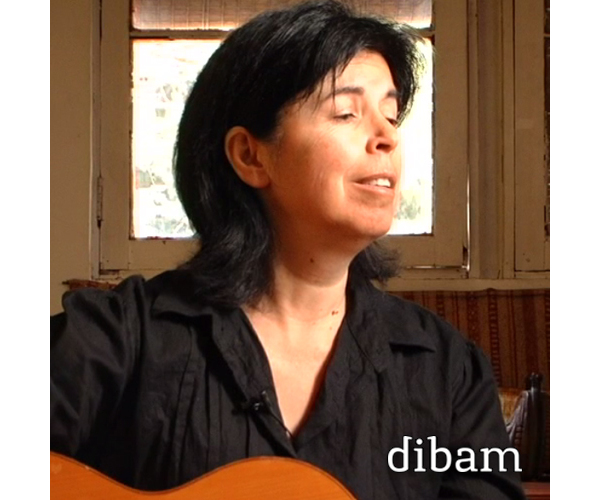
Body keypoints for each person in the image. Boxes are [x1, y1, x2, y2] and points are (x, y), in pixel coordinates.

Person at [50, 1, 525, 498]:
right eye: (346, 113)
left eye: (390, 115)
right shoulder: (117, 339)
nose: (387, 137)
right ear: (250, 156)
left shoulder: (449, 370)